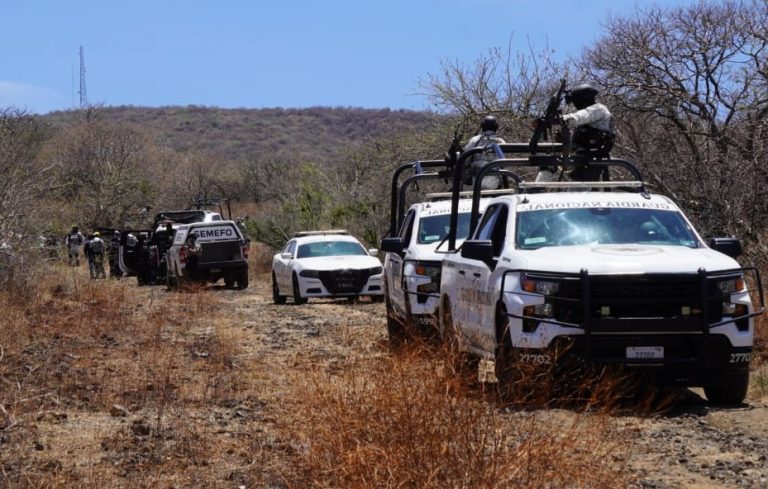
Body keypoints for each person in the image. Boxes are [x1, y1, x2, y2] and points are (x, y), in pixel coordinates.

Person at [536, 84, 615, 183]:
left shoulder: (598, 109)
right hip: (581, 159)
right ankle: (536, 189)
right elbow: (578, 142)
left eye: (576, 102)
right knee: (549, 162)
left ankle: (536, 190)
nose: (575, 105)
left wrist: (560, 119)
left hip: (589, 160)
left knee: (576, 195)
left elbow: (578, 117)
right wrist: (563, 138)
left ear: (582, 100)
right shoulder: (591, 121)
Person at [462, 115, 506, 190]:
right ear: (496, 127)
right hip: (494, 182)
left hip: (476, 180)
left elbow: (464, 158)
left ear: (482, 126)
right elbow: (504, 162)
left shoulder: (474, 140)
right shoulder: (501, 142)